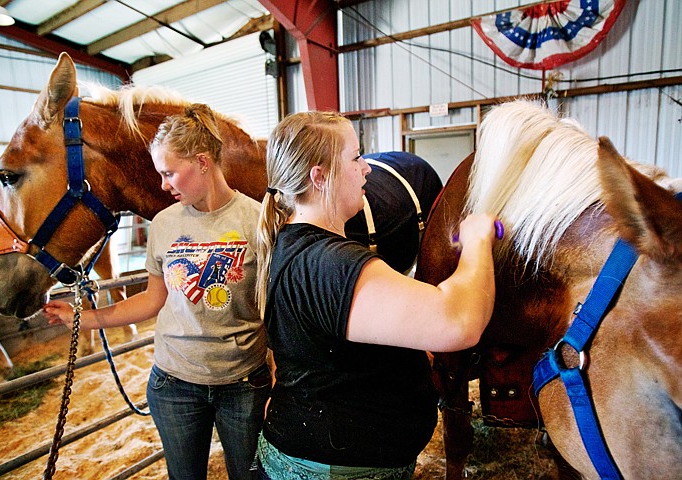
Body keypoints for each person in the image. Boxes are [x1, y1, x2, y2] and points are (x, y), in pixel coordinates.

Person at [255, 111, 498, 479]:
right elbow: (460, 321)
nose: (367, 168)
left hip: (320, 453)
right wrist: (478, 240)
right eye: (355, 158)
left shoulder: (291, 244)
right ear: (319, 177)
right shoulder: (330, 264)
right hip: (334, 468)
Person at [44, 104, 270, 480]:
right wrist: (85, 319)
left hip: (242, 384)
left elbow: (273, 305)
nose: (164, 185)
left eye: (168, 173)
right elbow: (153, 298)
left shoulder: (257, 219)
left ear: (202, 162)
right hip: (174, 384)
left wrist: (275, 377)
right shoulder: (164, 223)